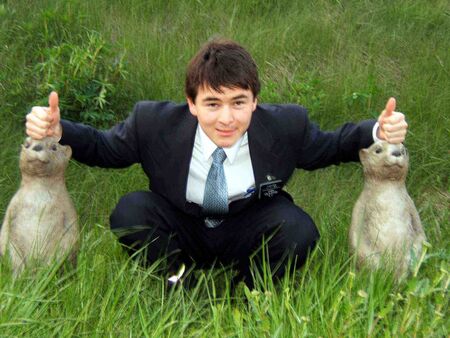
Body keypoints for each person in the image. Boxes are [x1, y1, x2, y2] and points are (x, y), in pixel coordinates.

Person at [25, 39, 408, 288]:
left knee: (298, 229)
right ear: (191, 104)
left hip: (247, 225)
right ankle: (179, 282)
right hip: (183, 223)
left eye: (238, 102)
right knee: (131, 212)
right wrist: (59, 130)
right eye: (212, 103)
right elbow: (105, 148)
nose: (227, 118)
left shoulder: (286, 126)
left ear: (255, 100)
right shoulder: (153, 123)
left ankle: (249, 292)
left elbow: (332, 146)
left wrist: (378, 130)